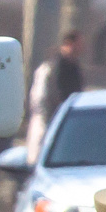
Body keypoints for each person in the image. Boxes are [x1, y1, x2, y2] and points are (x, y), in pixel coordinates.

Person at [25, 30, 85, 162]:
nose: (81, 48)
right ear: (69, 44)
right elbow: (43, 98)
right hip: (49, 120)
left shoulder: (74, 67)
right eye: (79, 44)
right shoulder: (52, 67)